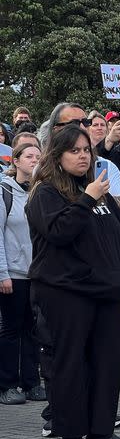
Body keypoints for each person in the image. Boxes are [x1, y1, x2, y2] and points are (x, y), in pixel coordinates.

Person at [26, 125, 120, 439]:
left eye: (86, 150)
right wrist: (88, 198)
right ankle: (72, 435)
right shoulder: (45, 193)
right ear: (57, 156)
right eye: (74, 150)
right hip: (65, 293)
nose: (82, 156)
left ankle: (102, 430)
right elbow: (60, 232)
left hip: (106, 293)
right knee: (70, 364)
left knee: (107, 363)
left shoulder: (98, 192)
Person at [0, 143, 46, 405]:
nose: (34, 161)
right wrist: (2, 273)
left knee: (34, 330)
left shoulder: (41, 192)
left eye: (38, 157)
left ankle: (31, 382)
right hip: (13, 275)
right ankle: (7, 384)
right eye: (29, 156)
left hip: (37, 274)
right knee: (11, 330)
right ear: (15, 161)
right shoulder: (5, 193)